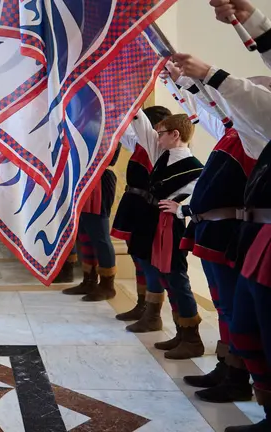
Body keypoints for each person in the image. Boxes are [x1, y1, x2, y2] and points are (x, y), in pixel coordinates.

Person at [173, 43, 271, 431]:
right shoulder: (238, 134)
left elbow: (237, 106)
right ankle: (228, 370)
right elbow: (219, 110)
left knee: (241, 314)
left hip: (237, 231)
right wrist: (186, 83)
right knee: (235, 313)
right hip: (230, 232)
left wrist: (206, 77)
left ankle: (236, 378)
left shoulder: (254, 135)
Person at [124, 111, 205, 360]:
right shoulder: (163, 155)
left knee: (176, 278)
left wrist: (182, 209)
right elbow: (142, 127)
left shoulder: (195, 167)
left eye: (161, 134)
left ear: (175, 134)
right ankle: (181, 332)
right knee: (164, 277)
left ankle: (192, 338)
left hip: (172, 227)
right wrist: (132, 105)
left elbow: (202, 197)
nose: (156, 138)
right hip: (155, 224)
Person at [111, 106, 172, 321]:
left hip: (148, 209)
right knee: (137, 256)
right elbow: (124, 129)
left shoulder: (160, 149)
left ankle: (152, 312)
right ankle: (142, 304)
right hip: (134, 204)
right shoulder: (139, 143)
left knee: (147, 259)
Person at [62, 143, 121, 301]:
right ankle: (89, 280)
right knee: (83, 234)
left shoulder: (110, 123)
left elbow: (110, 157)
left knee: (100, 236)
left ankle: (107, 285)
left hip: (99, 181)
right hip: (82, 179)